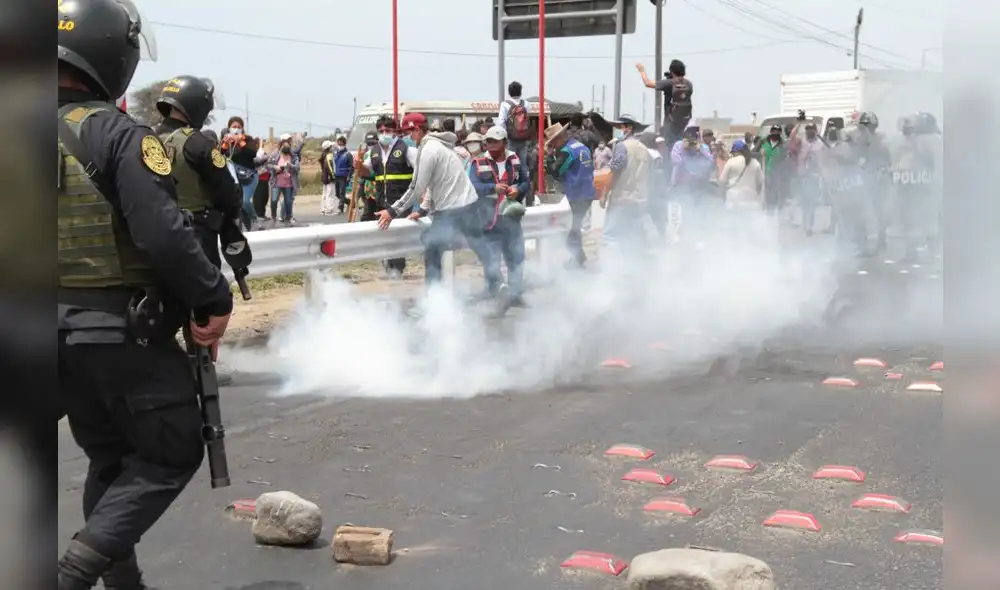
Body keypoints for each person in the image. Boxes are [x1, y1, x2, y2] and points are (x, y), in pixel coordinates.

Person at [57, 1, 233, 587]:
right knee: (170, 451)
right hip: (116, 332)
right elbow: (163, 234)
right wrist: (213, 299)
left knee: (110, 458)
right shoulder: (115, 133)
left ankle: (124, 583)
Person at [374, 113, 507, 306]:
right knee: (479, 244)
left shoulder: (427, 150)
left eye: (409, 132)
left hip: (451, 210)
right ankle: (498, 284)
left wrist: (392, 211)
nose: (408, 137)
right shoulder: (442, 146)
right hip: (469, 204)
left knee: (432, 246)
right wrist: (423, 209)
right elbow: (434, 183)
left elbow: (416, 188)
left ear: (417, 130)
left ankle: (434, 298)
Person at [154, 75, 248, 272]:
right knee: (209, 288)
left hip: (156, 234)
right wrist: (230, 216)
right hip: (196, 235)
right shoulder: (198, 143)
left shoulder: (147, 138)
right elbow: (226, 190)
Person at [469, 127, 531, 306]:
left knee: (516, 256)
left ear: (504, 142)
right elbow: (472, 186)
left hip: (511, 217)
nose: (491, 145)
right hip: (489, 219)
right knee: (492, 259)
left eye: (495, 142)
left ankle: (515, 295)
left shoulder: (515, 160)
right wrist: (492, 188)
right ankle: (494, 294)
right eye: (488, 141)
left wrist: (518, 189)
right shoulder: (478, 162)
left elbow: (526, 182)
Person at [359, 115, 416, 277]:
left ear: (395, 131)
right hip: (381, 201)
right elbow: (367, 171)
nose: (384, 133)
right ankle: (388, 267)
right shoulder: (374, 152)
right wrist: (358, 165)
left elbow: (420, 172)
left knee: (397, 236)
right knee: (385, 235)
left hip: (401, 201)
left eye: (388, 130)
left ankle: (397, 270)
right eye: (381, 130)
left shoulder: (407, 150)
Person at [545, 122, 596, 268]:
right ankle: (579, 259)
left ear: (558, 139)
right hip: (587, 192)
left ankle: (578, 261)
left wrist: (550, 156)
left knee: (570, 229)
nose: (554, 146)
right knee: (574, 227)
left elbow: (555, 172)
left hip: (576, 194)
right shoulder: (582, 147)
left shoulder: (566, 152)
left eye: (553, 143)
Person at [604, 114, 653, 255]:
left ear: (629, 128)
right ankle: (631, 264)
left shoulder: (622, 147)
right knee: (631, 235)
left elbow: (614, 171)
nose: (619, 130)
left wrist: (605, 194)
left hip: (621, 198)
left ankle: (613, 265)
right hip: (638, 200)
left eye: (620, 127)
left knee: (611, 236)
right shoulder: (644, 149)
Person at [220, 116, 266, 230]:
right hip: (235, 179)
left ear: (242, 128)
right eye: (233, 126)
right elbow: (219, 155)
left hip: (249, 177)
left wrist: (241, 142)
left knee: (245, 202)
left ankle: (254, 219)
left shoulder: (248, 139)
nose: (236, 129)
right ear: (229, 128)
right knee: (238, 206)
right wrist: (224, 144)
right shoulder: (227, 141)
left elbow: (253, 153)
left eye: (238, 127)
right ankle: (244, 227)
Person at [636, 59, 693, 146]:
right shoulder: (688, 84)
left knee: (669, 145)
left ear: (672, 72)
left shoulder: (669, 83)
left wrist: (642, 71)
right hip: (684, 121)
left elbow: (648, 83)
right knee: (680, 143)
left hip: (670, 121)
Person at [717, 139, 766, 238]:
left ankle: (736, 245)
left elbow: (722, 181)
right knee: (750, 229)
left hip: (733, 202)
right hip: (751, 203)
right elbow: (760, 183)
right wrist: (757, 196)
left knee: (734, 229)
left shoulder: (731, 162)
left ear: (736, 151)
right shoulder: (755, 163)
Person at [788, 122, 826, 235]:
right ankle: (805, 221)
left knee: (811, 202)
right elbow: (792, 138)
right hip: (801, 176)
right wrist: (799, 123)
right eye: (807, 129)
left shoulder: (820, 144)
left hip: (814, 176)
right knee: (803, 202)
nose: (809, 131)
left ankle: (810, 225)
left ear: (816, 131)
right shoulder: (801, 142)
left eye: (812, 129)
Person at [497, 80, 531, 177]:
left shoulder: (505, 104)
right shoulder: (526, 104)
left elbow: (501, 122)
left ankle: (511, 182)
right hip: (523, 138)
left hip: (510, 139)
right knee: (523, 164)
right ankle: (524, 183)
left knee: (510, 162)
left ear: (509, 92)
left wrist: (504, 137)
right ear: (520, 91)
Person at [265, 133, 300, 226]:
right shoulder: (275, 155)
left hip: (289, 183)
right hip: (276, 182)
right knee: (274, 200)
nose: (287, 145)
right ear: (281, 144)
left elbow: (297, 167)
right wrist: (275, 167)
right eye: (285, 143)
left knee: (288, 202)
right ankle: (273, 217)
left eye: (288, 143)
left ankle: (288, 218)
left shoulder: (294, 156)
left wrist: (290, 165)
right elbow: (267, 165)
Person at [332, 135, 353, 215]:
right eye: (339, 143)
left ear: (344, 144)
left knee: (342, 193)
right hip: (337, 175)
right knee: (337, 194)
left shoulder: (348, 154)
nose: (340, 145)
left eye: (341, 144)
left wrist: (349, 176)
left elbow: (351, 167)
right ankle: (349, 202)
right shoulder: (336, 153)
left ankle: (340, 208)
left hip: (344, 176)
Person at [319, 139, 337, 215]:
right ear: (329, 148)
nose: (332, 147)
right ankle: (329, 210)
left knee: (325, 193)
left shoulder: (323, 155)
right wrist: (333, 176)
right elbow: (329, 166)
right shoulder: (329, 155)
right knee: (330, 193)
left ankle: (323, 209)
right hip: (329, 177)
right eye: (331, 146)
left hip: (324, 177)